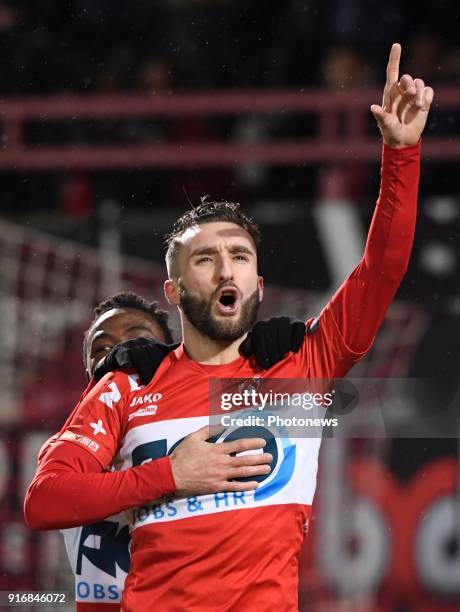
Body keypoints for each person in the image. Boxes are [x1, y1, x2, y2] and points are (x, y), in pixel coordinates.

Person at [25, 44, 433, 611]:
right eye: (204, 258)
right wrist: (171, 473)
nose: (225, 269)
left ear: (258, 284)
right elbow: (45, 501)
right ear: (174, 292)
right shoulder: (128, 385)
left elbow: (382, 269)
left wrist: (401, 154)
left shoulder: (304, 364)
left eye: (239, 256)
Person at [34, 291, 306, 611]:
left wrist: (285, 359)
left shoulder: (204, 437)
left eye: (140, 341)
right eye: (103, 349)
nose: (121, 352)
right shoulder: (70, 456)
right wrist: (168, 474)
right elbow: (42, 503)